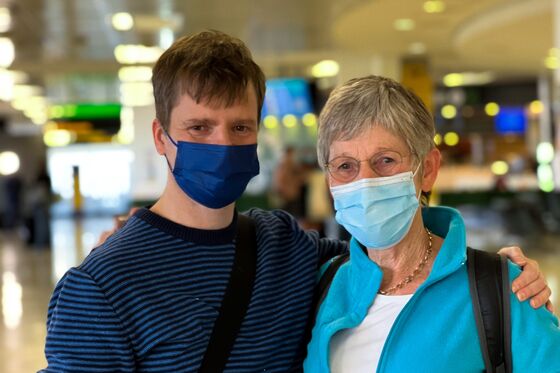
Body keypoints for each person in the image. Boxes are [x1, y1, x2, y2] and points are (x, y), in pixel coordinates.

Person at [41, 31, 551, 372]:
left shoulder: (285, 248)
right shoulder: (99, 289)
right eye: (198, 128)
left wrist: (498, 272)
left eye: (239, 127)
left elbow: (392, 259)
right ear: (160, 136)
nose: (221, 145)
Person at [304, 75, 560, 372]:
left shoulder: (502, 289)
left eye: (385, 160)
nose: (365, 182)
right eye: (345, 166)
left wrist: (504, 279)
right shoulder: (321, 284)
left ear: (427, 169)